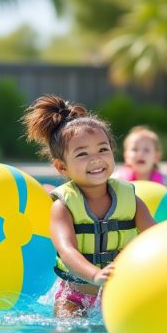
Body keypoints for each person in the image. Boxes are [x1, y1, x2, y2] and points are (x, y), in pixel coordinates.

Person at [22, 94, 156, 318]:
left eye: (103, 149)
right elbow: (67, 251)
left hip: (120, 292)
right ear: (62, 167)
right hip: (74, 295)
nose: (95, 159)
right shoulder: (63, 207)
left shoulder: (129, 199)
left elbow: (156, 233)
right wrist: (95, 275)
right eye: (82, 154)